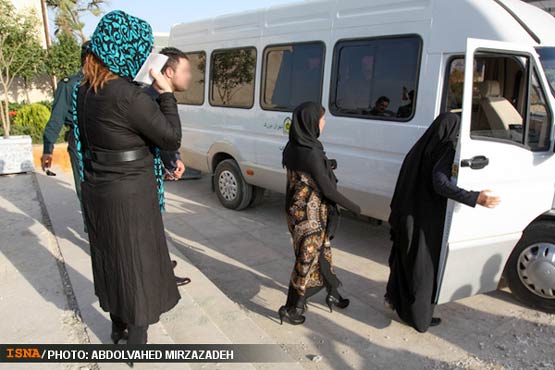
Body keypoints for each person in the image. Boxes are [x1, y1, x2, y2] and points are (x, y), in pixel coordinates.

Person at [73, 10, 181, 345]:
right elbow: (170, 138)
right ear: (127, 48)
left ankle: (117, 326)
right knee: (137, 263)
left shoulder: (85, 90)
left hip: (99, 187)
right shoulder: (130, 96)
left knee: (111, 258)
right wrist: (165, 93)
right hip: (130, 192)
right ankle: (136, 341)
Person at [385, 112, 501, 333]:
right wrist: (475, 197)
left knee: (404, 262)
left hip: (404, 214)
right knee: (423, 268)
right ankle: (420, 319)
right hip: (423, 219)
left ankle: (397, 302)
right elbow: (440, 183)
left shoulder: (419, 149)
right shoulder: (445, 148)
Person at [279, 101, 361, 325]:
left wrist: (326, 164)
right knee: (305, 260)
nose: (324, 123)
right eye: (323, 119)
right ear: (311, 122)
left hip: (296, 212)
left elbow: (309, 171)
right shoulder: (312, 151)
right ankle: (291, 308)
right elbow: (327, 188)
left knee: (322, 253)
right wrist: (355, 207)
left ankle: (333, 293)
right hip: (310, 216)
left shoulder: (294, 145)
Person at [144, 46, 193, 287]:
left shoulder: (157, 97)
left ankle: (160, 262)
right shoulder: (151, 100)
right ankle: (160, 273)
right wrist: (170, 159)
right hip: (142, 176)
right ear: (170, 72)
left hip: (152, 171)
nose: (189, 76)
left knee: (156, 223)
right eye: (185, 71)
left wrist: (174, 159)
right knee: (151, 226)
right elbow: (165, 137)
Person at [41, 41, 91, 233]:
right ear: (87, 59)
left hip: (101, 138)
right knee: (84, 187)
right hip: (78, 139)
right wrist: (48, 148)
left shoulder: (103, 83)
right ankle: (92, 230)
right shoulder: (69, 85)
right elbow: (56, 118)